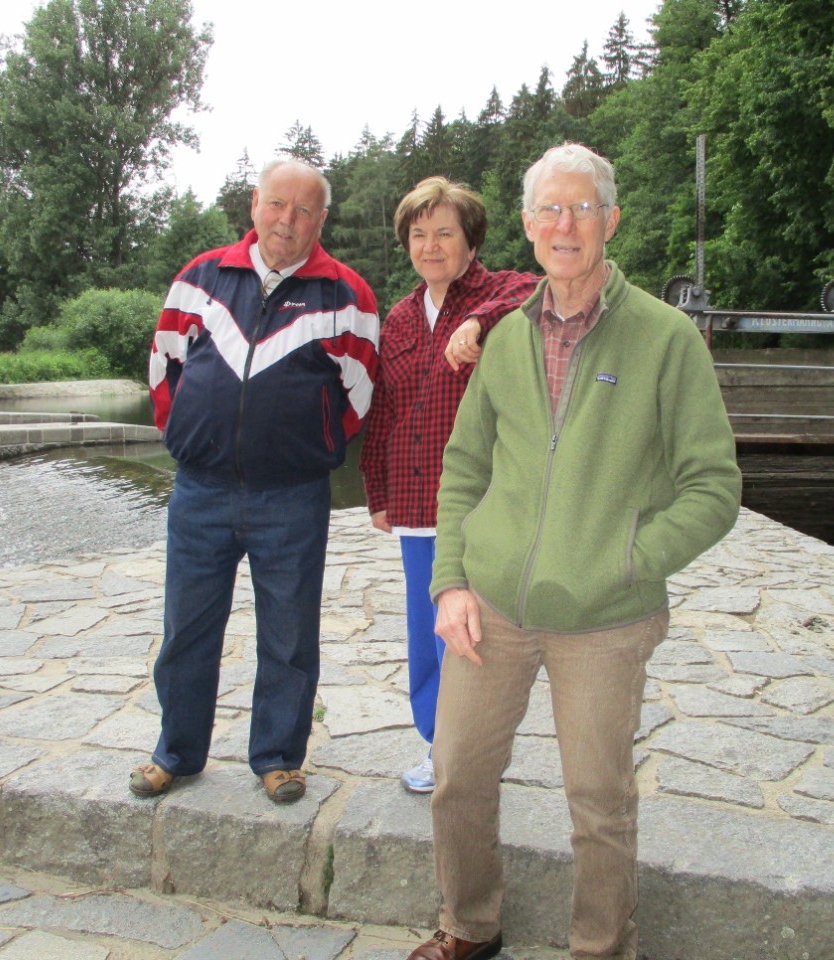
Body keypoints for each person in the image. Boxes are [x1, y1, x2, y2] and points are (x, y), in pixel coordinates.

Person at [408, 143, 742, 960]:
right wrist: (451, 581)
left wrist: (627, 558)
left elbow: (714, 487)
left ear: (610, 221)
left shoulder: (666, 341)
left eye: (582, 209)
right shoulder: (507, 339)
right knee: (456, 778)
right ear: (526, 226)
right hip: (492, 607)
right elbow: (463, 467)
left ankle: (601, 947)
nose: (566, 225)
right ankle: (469, 926)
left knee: (598, 800)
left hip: (605, 619)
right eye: (550, 210)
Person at [130, 159, 379, 804]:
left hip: (292, 497)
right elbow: (163, 370)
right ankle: (177, 752)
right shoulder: (200, 278)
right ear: (254, 205)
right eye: (277, 205)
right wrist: (194, 438)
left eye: (303, 211)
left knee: (290, 634)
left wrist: (304, 445)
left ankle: (278, 756)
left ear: (321, 219)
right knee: (185, 628)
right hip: (200, 492)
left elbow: (359, 397)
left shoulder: (346, 295)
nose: (286, 221)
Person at [359, 176, 538, 794]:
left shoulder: (498, 293)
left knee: (469, 636)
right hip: (413, 506)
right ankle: (439, 748)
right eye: (418, 234)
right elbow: (384, 409)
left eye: (444, 233)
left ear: (469, 240)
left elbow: (537, 287)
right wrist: (376, 491)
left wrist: (480, 321)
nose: (430, 246)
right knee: (425, 633)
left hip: (476, 505)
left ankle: (470, 755)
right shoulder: (402, 316)